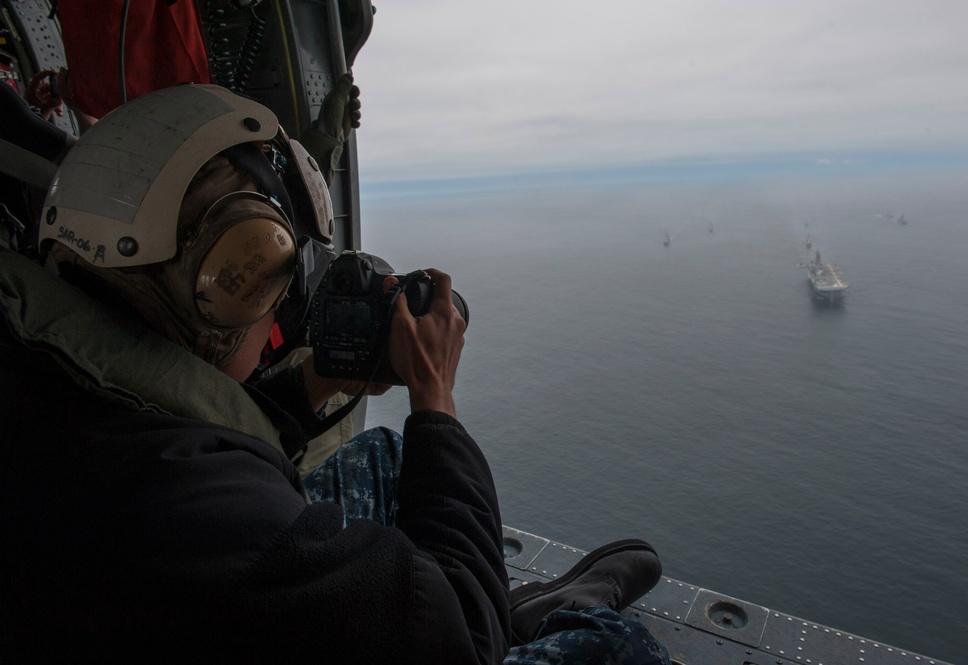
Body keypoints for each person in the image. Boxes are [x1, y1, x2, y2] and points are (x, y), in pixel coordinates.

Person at [0, 83, 671, 664]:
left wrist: (316, 381)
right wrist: (434, 397)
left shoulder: (47, 365)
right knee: (622, 647)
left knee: (386, 455)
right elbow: (465, 645)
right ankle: (539, 613)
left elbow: (192, 426)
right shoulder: (219, 523)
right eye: (271, 274)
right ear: (220, 289)